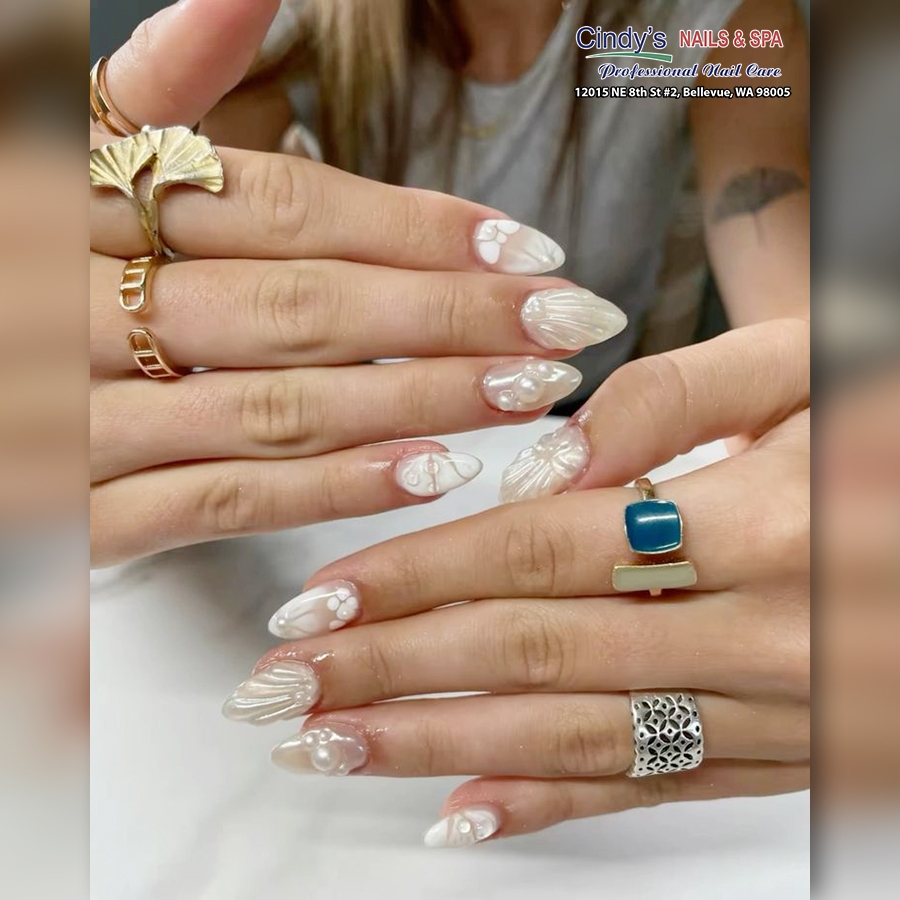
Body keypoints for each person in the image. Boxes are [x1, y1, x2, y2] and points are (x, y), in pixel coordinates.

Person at [90, 0, 809, 845]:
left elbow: (786, 319)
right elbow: (203, 297)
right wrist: (115, 293)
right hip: (351, 491)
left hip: (604, 472)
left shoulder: (711, 26)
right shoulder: (290, 27)